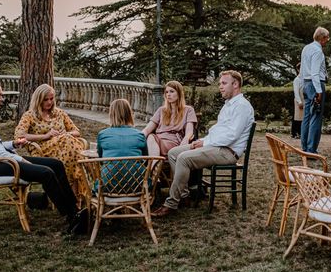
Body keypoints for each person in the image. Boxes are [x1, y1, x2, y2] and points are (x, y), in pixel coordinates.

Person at [0, 81, 86, 234]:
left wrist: (13, 144)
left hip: (0, 159)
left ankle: (75, 210)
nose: (1, 99)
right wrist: (20, 160)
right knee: (46, 173)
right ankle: (72, 216)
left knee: (55, 164)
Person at [153, 70, 254, 217]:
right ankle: (184, 195)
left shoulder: (242, 106)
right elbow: (220, 131)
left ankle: (171, 203)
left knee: (183, 158)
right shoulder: (229, 105)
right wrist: (203, 141)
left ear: (236, 84)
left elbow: (232, 135)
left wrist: (205, 143)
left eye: (224, 83)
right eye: (220, 83)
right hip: (216, 146)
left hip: (227, 152)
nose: (220, 86)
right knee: (174, 153)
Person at [14, 83, 89, 199]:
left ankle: (73, 196)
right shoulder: (29, 115)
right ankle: (77, 194)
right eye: (45, 99)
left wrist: (65, 134)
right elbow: (19, 136)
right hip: (42, 151)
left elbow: (76, 131)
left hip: (65, 148)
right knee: (75, 152)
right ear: (38, 99)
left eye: (51, 98)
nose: (49, 102)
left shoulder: (59, 113)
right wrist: (46, 136)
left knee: (69, 144)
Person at [97, 98, 148, 187]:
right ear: (129, 114)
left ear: (111, 114)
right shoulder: (139, 135)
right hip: (137, 184)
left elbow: (101, 160)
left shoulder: (102, 134)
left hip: (108, 185)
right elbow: (146, 160)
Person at [142, 80, 197, 156]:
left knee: (151, 139)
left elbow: (189, 131)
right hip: (157, 140)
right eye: (166, 92)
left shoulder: (188, 110)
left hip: (174, 142)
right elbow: (147, 129)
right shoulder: (161, 110)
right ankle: (155, 165)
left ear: (179, 93)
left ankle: (153, 166)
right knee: (150, 137)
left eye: (172, 91)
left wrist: (186, 139)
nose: (168, 94)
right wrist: (139, 137)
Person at [300, 26, 329, 153]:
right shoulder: (318, 51)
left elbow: (302, 70)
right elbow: (315, 73)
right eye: (327, 37)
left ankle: (304, 147)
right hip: (315, 84)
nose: (328, 40)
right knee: (315, 117)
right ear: (322, 38)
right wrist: (319, 91)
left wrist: (302, 86)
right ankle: (311, 149)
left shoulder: (306, 48)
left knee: (306, 116)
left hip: (306, 84)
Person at [291, 63, 303, 139]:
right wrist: (299, 102)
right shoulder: (297, 80)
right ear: (298, 69)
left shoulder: (304, 79)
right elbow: (296, 91)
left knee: (302, 118)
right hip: (299, 100)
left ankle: (301, 133)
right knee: (297, 117)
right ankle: (295, 133)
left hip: (304, 100)